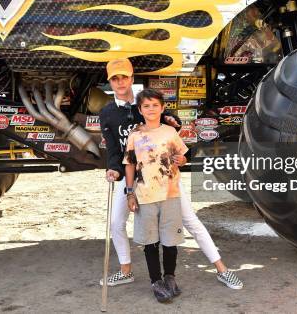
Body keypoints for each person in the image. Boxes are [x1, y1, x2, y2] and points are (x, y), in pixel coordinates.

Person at [99, 58, 243, 290]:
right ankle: (126, 271)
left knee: (190, 220)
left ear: (132, 78)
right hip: (131, 178)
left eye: (124, 77)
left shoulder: (145, 101)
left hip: (163, 177)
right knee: (116, 222)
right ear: (109, 82)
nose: (120, 82)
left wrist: (174, 125)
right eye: (115, 78)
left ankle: (222, 269)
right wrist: (113, 170)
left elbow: (172, 127)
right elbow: (115, 150)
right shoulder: (106, 112)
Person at [124, 88, 189, 302]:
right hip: (145, 196)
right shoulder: (135, 135)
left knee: (171, 241)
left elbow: (182, 156)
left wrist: (182, 161)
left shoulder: (170, 132)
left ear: (162, 108)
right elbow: (130, 165)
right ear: (140, 110)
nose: (151, 109)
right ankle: (156, 281)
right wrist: (130, 193)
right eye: (146, 106)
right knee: (150, 241)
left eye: (155, 105)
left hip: (170, 194)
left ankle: (170, 277)